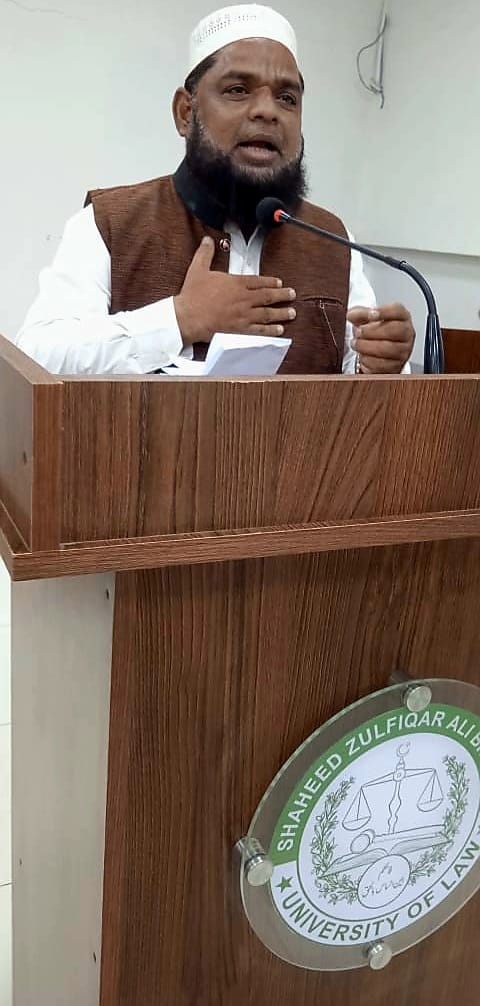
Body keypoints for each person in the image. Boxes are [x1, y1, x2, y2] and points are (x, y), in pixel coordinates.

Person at [15, 4, 415, 376]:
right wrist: (180, 319)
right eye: (238, 90)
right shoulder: (111, 223)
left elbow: (356, 376)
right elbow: (37, 356)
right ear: (185, 112)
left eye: (287, 98)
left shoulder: (331, 239)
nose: (267, 111)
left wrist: (381, 363)